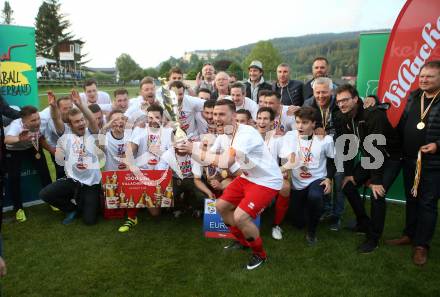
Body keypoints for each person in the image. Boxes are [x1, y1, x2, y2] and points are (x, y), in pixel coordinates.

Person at [180, 99, 283, 270]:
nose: (216, 118)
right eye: (214, 114)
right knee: (220, 206)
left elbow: (225, 162)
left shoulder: (246, 133)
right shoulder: (224, 135)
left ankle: (260, 254)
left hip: (267, 181)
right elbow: (207, 158)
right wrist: (187, 149)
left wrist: (194, 150)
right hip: (249, 177)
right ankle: (242, 241)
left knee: (240, 217)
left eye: (221, 114)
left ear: (234, 116)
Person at [335, 84, 401, 253]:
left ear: (356, 99)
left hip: (390, 158)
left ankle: (373, 238)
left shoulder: (374, 115)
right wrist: (349, 174)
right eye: (338, 101)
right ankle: (363, 223)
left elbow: (376, 149)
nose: (341, 104)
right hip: (371, 157)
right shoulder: (344, 117)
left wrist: (376, 181)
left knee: (377, 194)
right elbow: (347, 147)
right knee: (348, 186)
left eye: (345, 100)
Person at [386, 60, 440, 266]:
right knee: (412, 199)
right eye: (422, 76)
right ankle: (409, 234)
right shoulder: (414, 96)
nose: (424, 80)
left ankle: (421, 245)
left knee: (427, 203)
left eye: (430, 76)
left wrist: (437, 145)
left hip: (433, 164)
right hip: (409, 159)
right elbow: (403, 123)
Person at [39, 90, 101, 225]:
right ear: (70, 125)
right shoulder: (65, 133)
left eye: (81, 120)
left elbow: (91, 119)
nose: (81, 124)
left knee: (90, 221)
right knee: (45, 194)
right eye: (76, 122)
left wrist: (80, 105)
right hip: (73, 180)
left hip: (92, 183)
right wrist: (54, 107)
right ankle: (72, 209)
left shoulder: (91, 132)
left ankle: (85, 201)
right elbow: (56, 119)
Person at [280, 107, 335, 245]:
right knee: (298, 223)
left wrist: (329, 178)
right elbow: (288, 159)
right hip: (298, 184)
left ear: (313, 124)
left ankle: (312, 232)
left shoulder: (325, 139)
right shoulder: (290, 136)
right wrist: (285, 169)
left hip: (317, 179)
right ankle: (311, 211)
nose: (300, 126)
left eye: (304, 122)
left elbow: (332, 160)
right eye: (297, 122)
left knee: (315, 196)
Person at [119, 104, 173, 232]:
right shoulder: (140, 130)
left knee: (155, 214)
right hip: (142, 172)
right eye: (150, 117)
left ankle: (148, 201)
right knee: (126, 173)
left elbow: (171, 155)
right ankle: (131, 217)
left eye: (157, 117)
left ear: (162, 118)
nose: (153, 120)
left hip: (159, 174)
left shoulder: (168, 132)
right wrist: (131, 167)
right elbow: (129, 152)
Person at [303, 77, 344, 230]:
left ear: (331, 91)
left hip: (340, 147)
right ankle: (326, 209)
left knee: (339, 181)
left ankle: (337, 215)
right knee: (324, 178)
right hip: (320, 149)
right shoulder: (308, 103)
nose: (321, 96)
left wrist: (371, 99)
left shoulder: (339, 101)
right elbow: (304, 120)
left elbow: (356, 102)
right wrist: (316, 128)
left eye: (324, 92)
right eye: (317, 92)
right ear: (313, 92)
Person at [4, 105, 52, 222]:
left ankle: (52, 199)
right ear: (23, 121)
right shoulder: (16, 125)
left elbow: (41, 137)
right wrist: (19, 139)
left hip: (32, 146)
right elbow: (7, 140)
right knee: (14, 178)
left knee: (44, 172)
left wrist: (52, 150)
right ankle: (18, 209)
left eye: (38, 119)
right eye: (33, 120)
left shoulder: (43, 120)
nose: (37, 122)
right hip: (14, 150)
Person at [255, 107, 290, 240]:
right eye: (259, 118)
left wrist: (283, 170)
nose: (262, 122)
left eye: (265, 119)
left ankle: (276, 224)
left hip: (272, 177)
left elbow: (287, 160)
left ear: (272, 122)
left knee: (285, 187)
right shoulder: (249, 136)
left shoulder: (278, 139)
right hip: (252, 177)